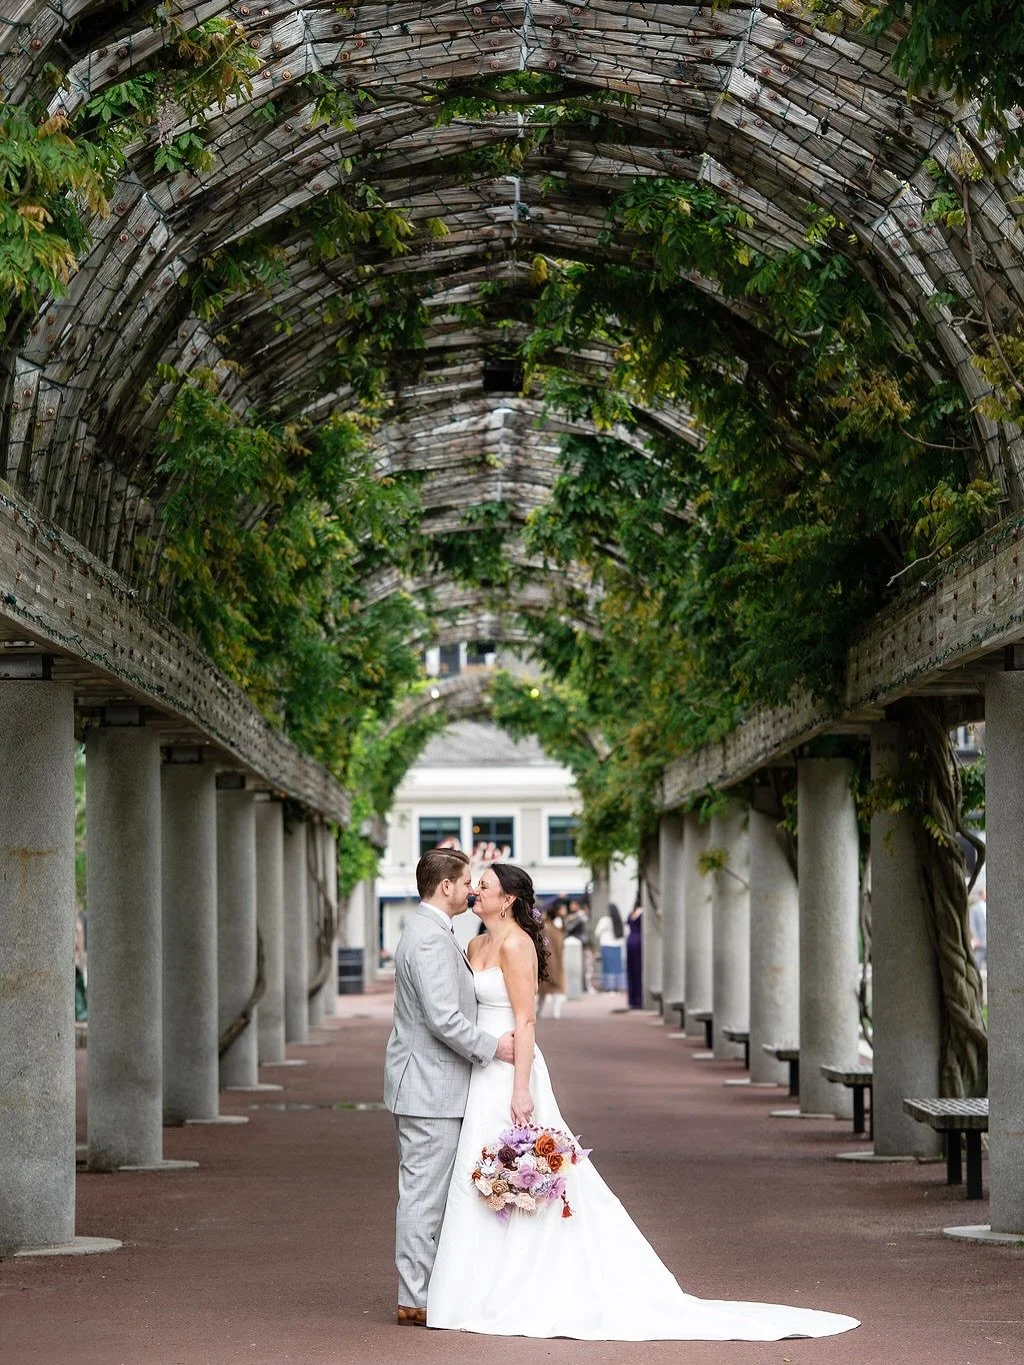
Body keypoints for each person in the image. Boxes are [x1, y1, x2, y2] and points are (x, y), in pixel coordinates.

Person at [426, 863, 859, 1341]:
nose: (475, 892)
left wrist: (522, 1088)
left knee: (530, 1171)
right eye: (475, 885)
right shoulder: (473, 944)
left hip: (512, 1071)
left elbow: (526, 1022)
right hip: (481, 1068)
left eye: (483, 886)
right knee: (480, 1174)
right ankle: (476, 1288)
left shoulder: (516, 945)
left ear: (507, 899)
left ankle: (528, 1284)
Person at [383, 847, 516, 1327]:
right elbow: (443, 1018)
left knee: (427, 1192)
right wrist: (492, 1048)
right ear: (446, 887)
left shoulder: (430, 931)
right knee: (423, 1195)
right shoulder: (430, 940)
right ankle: (414, 1298)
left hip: (428, 1083)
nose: (470, 891)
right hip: (428, 1087)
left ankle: (423, 1291)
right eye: (465, 883)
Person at [536, 905, 567, 1019]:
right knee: (556, 988)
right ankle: (556, 1012)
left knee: (542, 990)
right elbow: (561, 945)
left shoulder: (544, 927)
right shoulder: (556, 929)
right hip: (556, 962)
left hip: (545, 961)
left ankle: (539, 1011)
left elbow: (542, 944)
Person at [594, 901, 625, 991]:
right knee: (616, 968)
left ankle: (608, 987)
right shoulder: (619, 920)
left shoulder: (605, 920)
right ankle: (616, 986)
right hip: (617, 946)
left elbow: (597, 932)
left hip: (607, 945)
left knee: (608, 967)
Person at [625, 899, 644, 1009]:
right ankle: (638, 999)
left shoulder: (631, 913)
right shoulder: (642, 912)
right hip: (639, 942)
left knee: (632, 971)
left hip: (630, 941)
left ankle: (633, 999)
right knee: (638, 971)